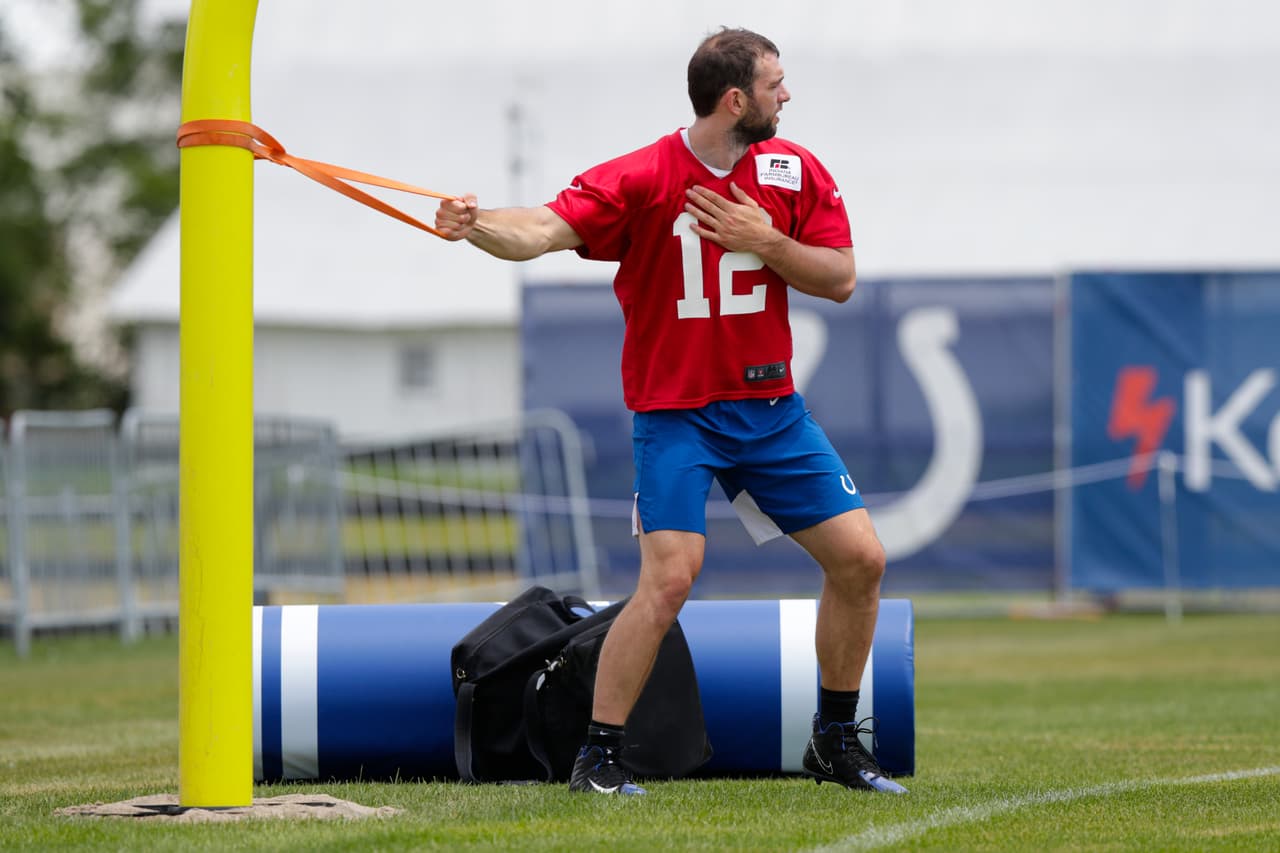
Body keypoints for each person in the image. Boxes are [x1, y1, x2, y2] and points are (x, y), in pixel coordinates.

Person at [435, 27, 906, 796]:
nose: (786, 94)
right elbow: (547, 229)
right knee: (670, 579)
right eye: (774, 83)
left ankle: (834, 741)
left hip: (773, 412)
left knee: (862, 560)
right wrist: (475, 224)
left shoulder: (792, 169)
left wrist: (768, 240)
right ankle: (599, 755)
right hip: (678, 413)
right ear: (734, 99)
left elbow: (841, 277)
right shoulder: (645, 175)